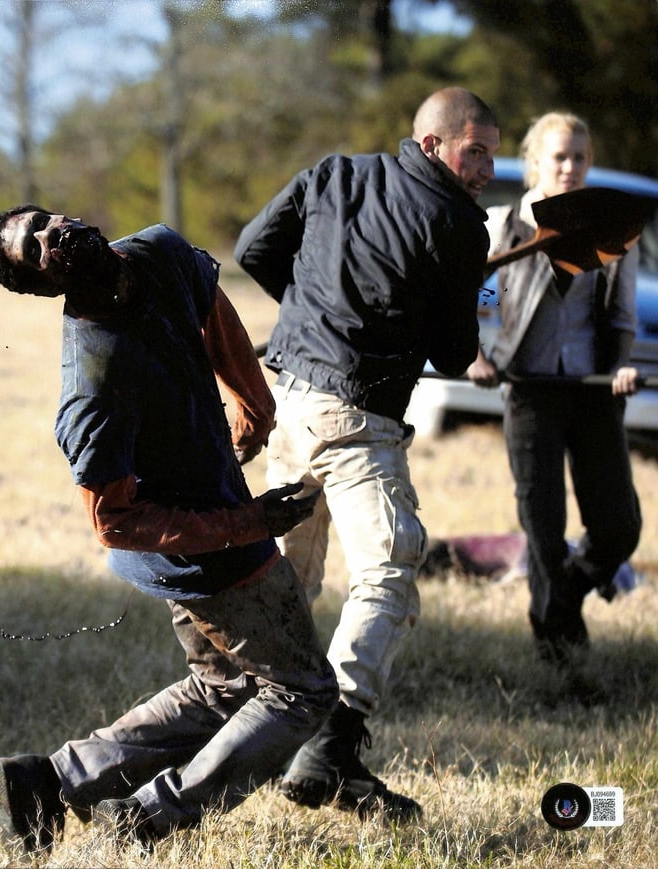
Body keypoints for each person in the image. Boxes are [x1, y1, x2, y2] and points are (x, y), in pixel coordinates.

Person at [0, 205, 339, 854]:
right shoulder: (93, 378)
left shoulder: (161, 252)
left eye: (44, 218)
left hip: (221, 524)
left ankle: (53, 779)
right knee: (300, 690)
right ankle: (150, 817)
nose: (51, 230)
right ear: (45, 284)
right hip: (202, 555)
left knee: (224, 689)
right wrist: (247, 521)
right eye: (35, 246)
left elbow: (215, 314)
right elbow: (114, 522)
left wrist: (251, 414)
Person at [235, 87, 499, 822]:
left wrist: (315, 311)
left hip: (290, 396)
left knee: (289, 571)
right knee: (390, 565)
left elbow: (253, 248)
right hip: (357, 421)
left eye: (491, 153)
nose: (483, 167)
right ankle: (332, 737)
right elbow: (452, 354)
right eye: (473, 149)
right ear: (430, 144)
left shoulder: (333, 173)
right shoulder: (458, 225)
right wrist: (466, 293)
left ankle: (258, 721)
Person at [464, 111, 641, 664]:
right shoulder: (504, 225)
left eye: (579, 158)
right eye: (558, 157)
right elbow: (477, 295)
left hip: (593, 390)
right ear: (536, 161)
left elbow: (624, 317)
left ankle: (560, 601)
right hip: (530, 390)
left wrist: (622, 365)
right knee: (543, 528)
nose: (569, 167)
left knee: (618, 528)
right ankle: (558, 653)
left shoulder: (610, 229)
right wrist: (478, 350)